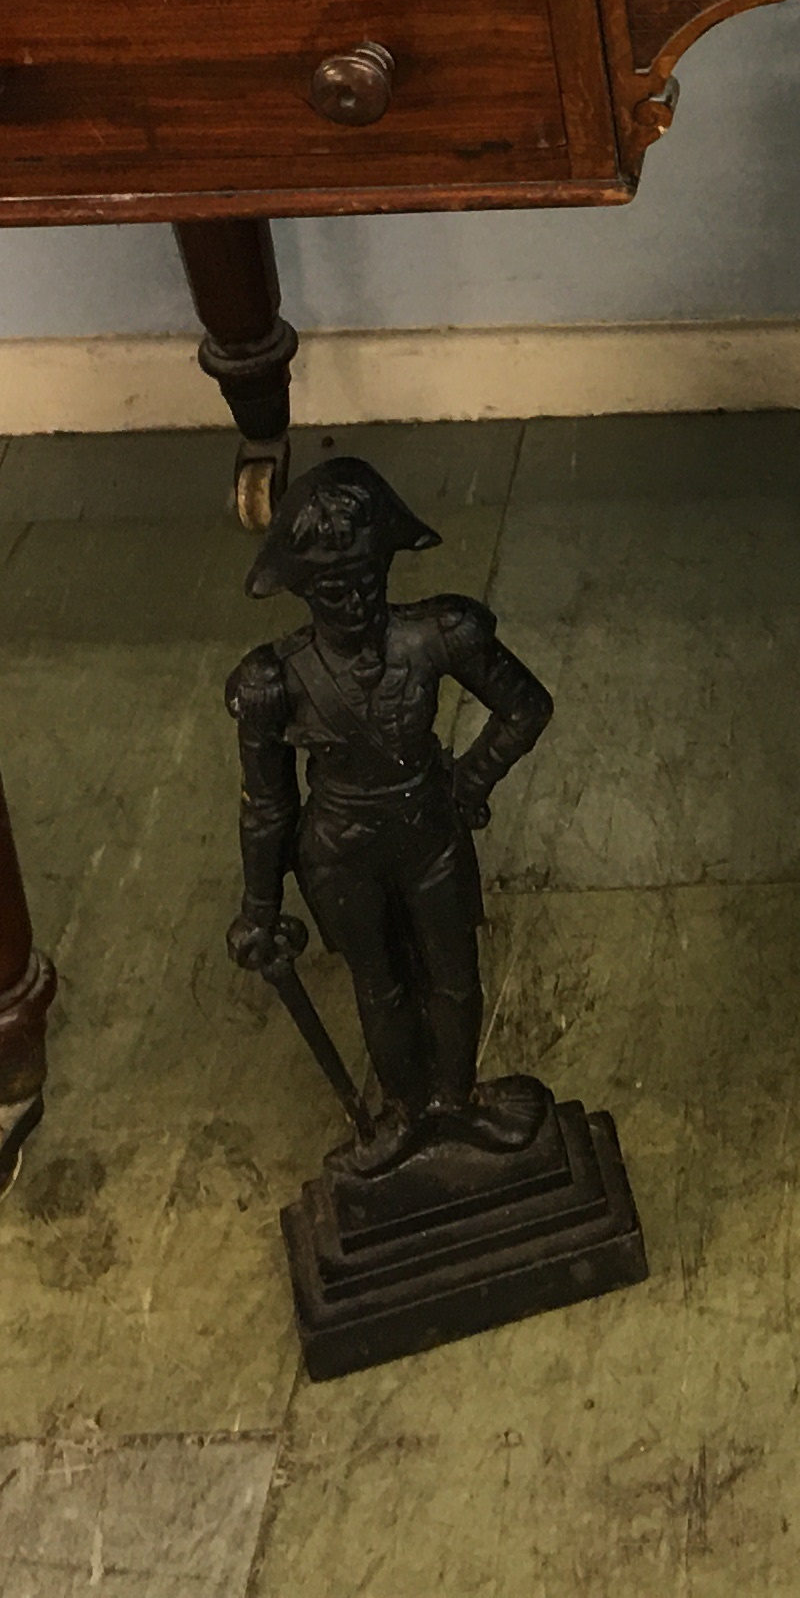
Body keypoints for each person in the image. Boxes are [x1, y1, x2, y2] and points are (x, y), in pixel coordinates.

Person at [227, 458, 553, 1176]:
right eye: (331, 588)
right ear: (303, 589)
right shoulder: (272, 682)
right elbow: (268, 803)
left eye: (366, 580)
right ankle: (412, 1115)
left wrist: (468, 781)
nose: (352, 600)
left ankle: (455, 1101)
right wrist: (259, 905)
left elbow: (526, 706)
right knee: (379, 982)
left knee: (454, 971)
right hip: (341, 848)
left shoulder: (439, 634)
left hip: (430, 830)